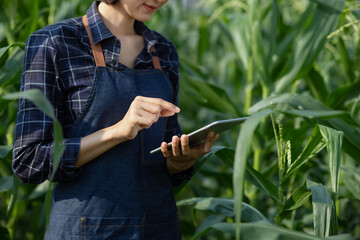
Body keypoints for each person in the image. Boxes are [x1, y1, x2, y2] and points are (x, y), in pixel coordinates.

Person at [12, 0, 219, 239]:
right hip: (86, 230)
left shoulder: (163, 50)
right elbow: (28, 161)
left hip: (159, 227)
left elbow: (163, 159)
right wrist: (118, 131)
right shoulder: (56, 43)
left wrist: (181, 161)